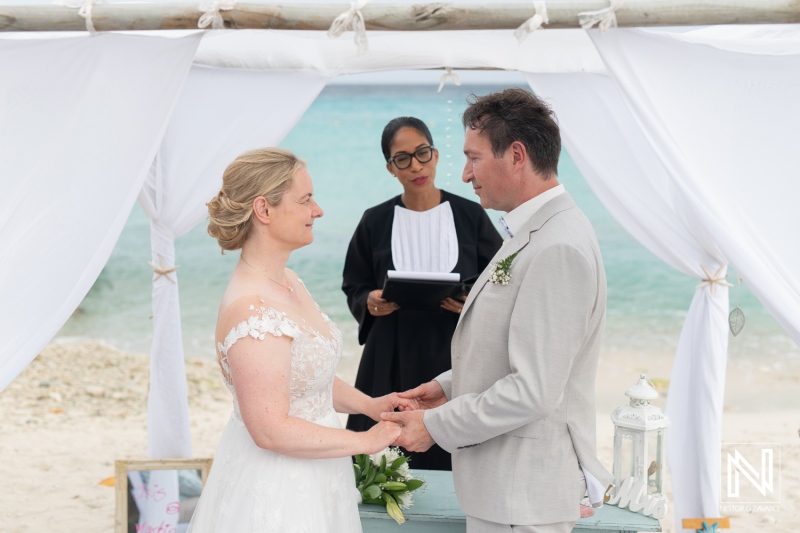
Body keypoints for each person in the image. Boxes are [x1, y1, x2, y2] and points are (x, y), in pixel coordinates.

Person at [382, 89, 614, 532]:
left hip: (522, 498)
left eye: (474, 158)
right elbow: (514, 349)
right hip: (506, 491)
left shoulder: (557, 246)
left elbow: (534, 389)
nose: (465, 174)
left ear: (516, 155)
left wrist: (434, 425)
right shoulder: (533, 230)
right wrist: (448, 386)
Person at [187, 148, 403, 532]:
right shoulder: (252, 310)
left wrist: (371, 406)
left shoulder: (290, 282)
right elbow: (270, 429)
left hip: (319, 471)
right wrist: (367, 441)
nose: (317, 211)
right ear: (263, 210)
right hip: (278, 486)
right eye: (305, 200)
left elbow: (305, 375)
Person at [343, 117, 503, 471]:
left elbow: (501, 281)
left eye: (422, 153)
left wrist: (470, 304)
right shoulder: (374, 220)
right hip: (390, 355)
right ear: (390, 167)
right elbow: (354, 283)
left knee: (454, 455)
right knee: (379, 462)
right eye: (403, 158)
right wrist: (369, 300)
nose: (415, 165)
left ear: (436, 155)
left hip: (452, 352)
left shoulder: (471, 215)